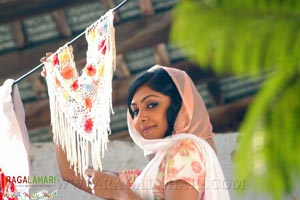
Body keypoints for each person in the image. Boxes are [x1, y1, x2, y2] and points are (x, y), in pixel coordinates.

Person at [40, 58, 229, 199]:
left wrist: (120, 192)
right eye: (135, 111)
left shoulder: (186, 150)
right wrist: (59, 97)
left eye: (152, 105)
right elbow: (73, 174)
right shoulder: (153, 172)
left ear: (177, 106)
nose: (141, 118)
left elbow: (115, 188)